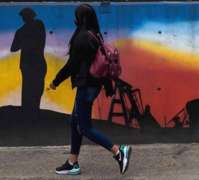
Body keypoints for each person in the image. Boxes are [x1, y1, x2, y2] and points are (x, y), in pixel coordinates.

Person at [48, 4, 131, 175]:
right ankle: (72, 162)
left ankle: (118, 151)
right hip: (93, 85)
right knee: (74, 121)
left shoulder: (83, 38)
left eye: (77, 16)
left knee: (84, 127)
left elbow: (72, 65)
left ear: (81, 18)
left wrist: (56, 81)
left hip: (87, 86)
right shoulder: (95, 35)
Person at [11, 8, 47, 121]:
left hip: (27, 63)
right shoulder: (39, 25)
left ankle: (29, 113)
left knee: (28, 88)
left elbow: (13, 48)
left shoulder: (21, 31)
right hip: (37, 62)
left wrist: (24, 43)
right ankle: (33, 113)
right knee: (37, 88)